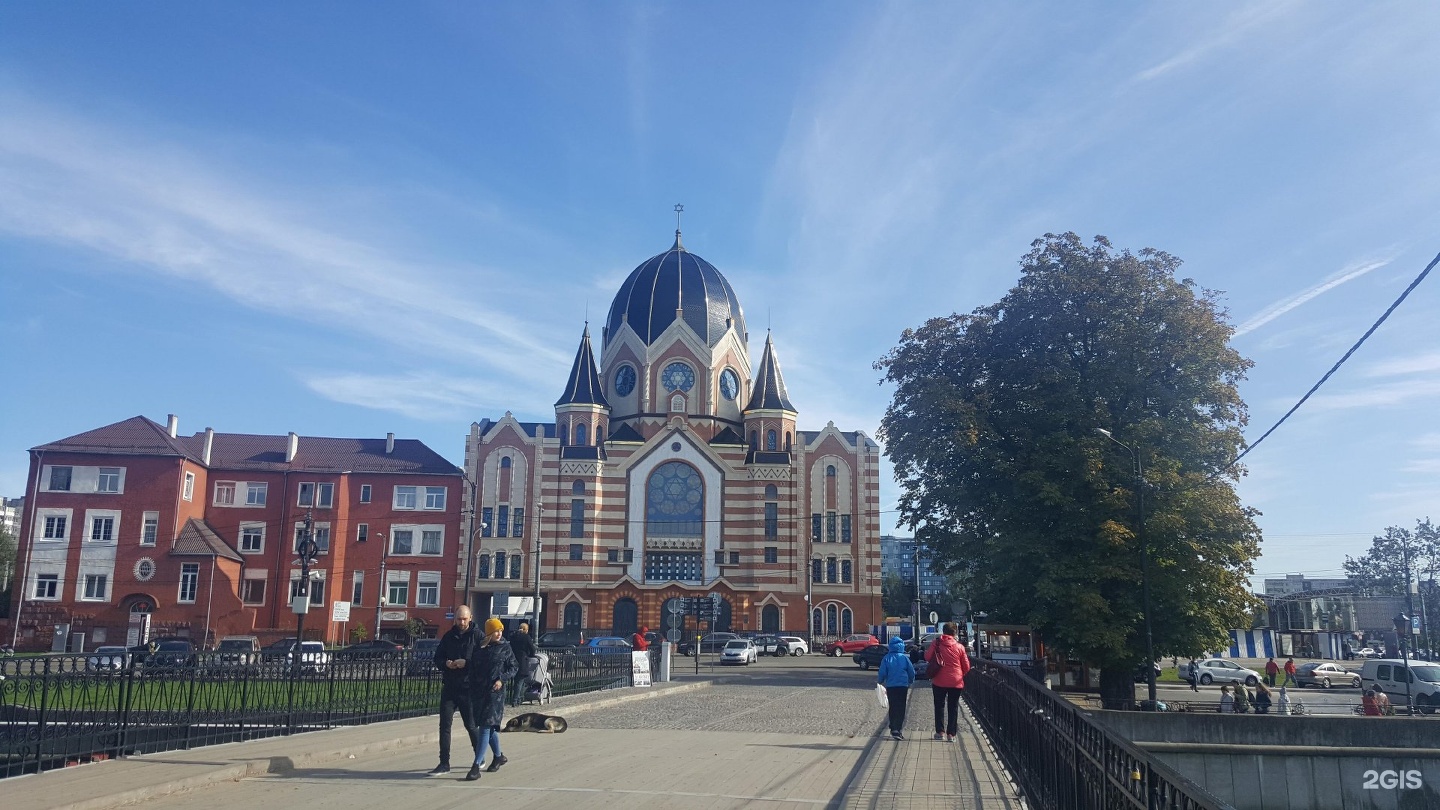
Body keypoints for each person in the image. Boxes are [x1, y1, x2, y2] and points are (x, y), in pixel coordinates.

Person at [466, 618, 519, 781]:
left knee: (485, 726)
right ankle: (498, 756)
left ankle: (475, 766)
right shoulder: (481, 648)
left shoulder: (505, 647)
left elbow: (514, 667)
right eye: (496, 631)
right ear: (489, 632)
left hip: (495, 694)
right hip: (479, 693)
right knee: (489, 727)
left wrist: (501, 679)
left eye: (501, 630)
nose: (499, 633)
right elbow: (473, 668)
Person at [429, 606, 479, 775]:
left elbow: (483, 661)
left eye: (464, 619)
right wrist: (446, 664)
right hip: (450, 686)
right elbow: (438, 657)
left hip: (468, 687)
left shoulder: (477, 636)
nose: (462, 622)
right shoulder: (449, 636)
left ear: (470, 618)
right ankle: (444, 762)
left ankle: (479, 758)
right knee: (445, 726)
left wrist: (467, 662)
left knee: (471, 725)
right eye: (459, 619)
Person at [925, 622, 972, 742]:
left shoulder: (936, 643)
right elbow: (966, 666)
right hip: (956, 681)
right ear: (954, 632)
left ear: (943, 631)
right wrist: (960, 675)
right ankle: (951, 734)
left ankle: (940, 732)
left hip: (939, 680)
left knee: (939, 706)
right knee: (953, 707)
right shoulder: (959, 647)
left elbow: (927, 657)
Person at [877, 636, 916, 740]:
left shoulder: (887, 658)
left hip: (891, 686)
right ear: (902, 646)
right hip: (903, 686)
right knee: (901, 707)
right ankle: (898, 728)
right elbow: (911, 671)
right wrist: (911, 681)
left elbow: (882, 672)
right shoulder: (904, 658)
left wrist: (880, 681)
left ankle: (893, 727)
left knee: (893, 706)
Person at [508, 622, 538, 706]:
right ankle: (516, 699)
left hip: (513, 659)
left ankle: (517, 698)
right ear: (526, 630)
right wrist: (531, 655)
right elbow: (532, 648)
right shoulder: (526, 637)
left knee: (517, 680)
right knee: (520, 680)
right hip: (522, 660)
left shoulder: (513, 636)